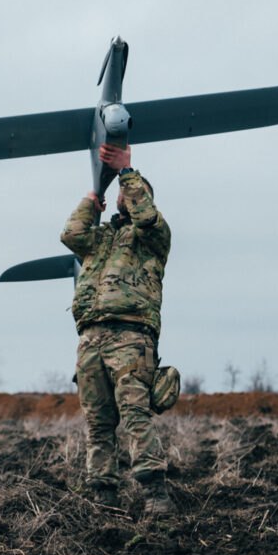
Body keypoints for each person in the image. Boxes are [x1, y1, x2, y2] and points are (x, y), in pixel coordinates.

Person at [60, 143, 174, 514]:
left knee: (135, 414)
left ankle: (155, 494)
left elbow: (146, 215)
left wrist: (126, 171)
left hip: (131, 336)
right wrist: (92, 199)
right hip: (91, 337)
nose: (124, 195)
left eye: (132, 192)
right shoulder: (101, 240)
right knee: (98, 422)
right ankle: (103, 495)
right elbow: (71, 234)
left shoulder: (153, 237)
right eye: (122, 191)